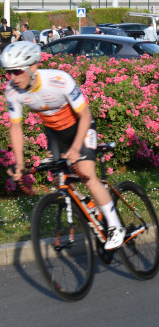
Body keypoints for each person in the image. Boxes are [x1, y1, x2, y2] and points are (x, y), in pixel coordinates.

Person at [2, 42, 127, 249]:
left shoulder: (58, 80)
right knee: (59, 178)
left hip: (81, 126)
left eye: (17, 71)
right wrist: (19, 163)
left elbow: (85, 115)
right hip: (55, 132)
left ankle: (115, 227)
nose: (13, 78)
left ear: (33, 67)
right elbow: (16, 127)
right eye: (8, 73)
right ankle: (90, 209)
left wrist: (77, 147)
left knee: (86, 174)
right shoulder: (12, 91)